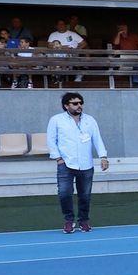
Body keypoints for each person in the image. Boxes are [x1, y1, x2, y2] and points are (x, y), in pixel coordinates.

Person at [46, 91, 109, 233]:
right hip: (66, 163)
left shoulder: (90, 120)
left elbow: (97, 139)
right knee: (64, 193)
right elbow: (51, 140)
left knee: (85, 195)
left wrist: (103, 157)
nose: (79, 106)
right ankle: (69, 220)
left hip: (86, 164)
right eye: (75, 103)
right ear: (66, 106)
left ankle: (83, 221)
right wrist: (58, 158)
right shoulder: (56, 120)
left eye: (80, 103)